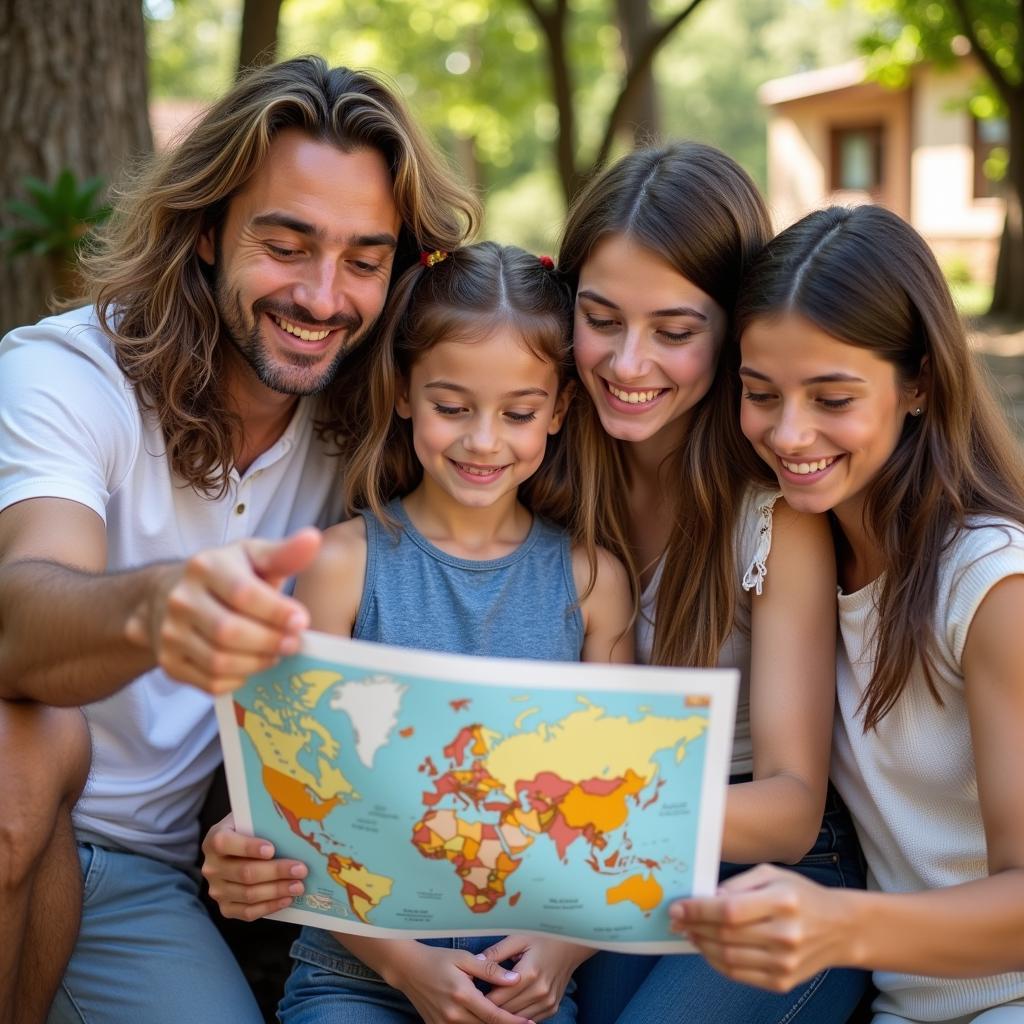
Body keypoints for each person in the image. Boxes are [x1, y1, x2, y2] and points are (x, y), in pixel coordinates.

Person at [0, 55, 478, 1024]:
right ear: (209, 230)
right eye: (287, 243)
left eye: (364, 258)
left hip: (143, 873)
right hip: (20, 810)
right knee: (29, 741)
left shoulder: (369, 423)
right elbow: (18, 614)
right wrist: (157, 604)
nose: (321, 295)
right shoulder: (66, 374)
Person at [204, 241, 633, 1024]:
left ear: (561, 410)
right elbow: (294, 797)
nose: (482, 441)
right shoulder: (344, 565)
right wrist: (406, 967)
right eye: (452, 406)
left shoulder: (593, 583)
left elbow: (615, 811)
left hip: (520, 981)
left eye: (519, 413)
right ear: (405, 394)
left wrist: (562, 949)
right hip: (356, 967)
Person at [489, 143, 868, 1024]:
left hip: (778, 877)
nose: (628, 365)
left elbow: (788, 809)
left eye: (674, 331)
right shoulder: (535, 466)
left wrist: (564, 814)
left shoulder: (775, 514)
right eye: (602, 318)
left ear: (733, 329)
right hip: (606, 860)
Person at [673, 204, 1024, 1023]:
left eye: (832, 397)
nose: (790, 432)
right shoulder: (799, 551)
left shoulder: (989, 584)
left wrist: (841, 927)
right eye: (760, 394)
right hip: (904, 1006)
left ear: (920, 385)